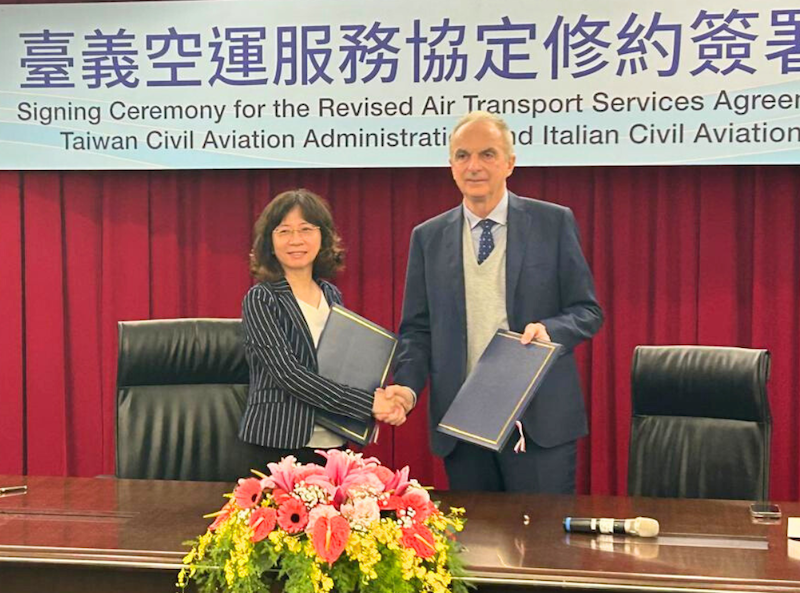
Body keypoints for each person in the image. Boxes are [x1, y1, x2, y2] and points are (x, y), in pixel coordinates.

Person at [387, 111, 603, 493]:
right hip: (463, 420)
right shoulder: (428, 237)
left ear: (509, 163)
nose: (474, 166)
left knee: (543, 546)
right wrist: (405, 388)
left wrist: (549, 330)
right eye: (462, 156)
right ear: (451, 166)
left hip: (537, 421)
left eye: (487, 154)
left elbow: (587, 311)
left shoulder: (552, 223)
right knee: (476, 547)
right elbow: (418, 330)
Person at [239, 189, 411, 465]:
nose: (296, 240)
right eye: (284, 231)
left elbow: (341, 368)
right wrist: (368, 403)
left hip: (333, 442)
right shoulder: (262, 298)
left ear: (323, 237)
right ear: (270, 242)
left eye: (306, 229)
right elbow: (289, 375)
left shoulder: (331, 294)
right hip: (279, 444)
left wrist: (383, 400)